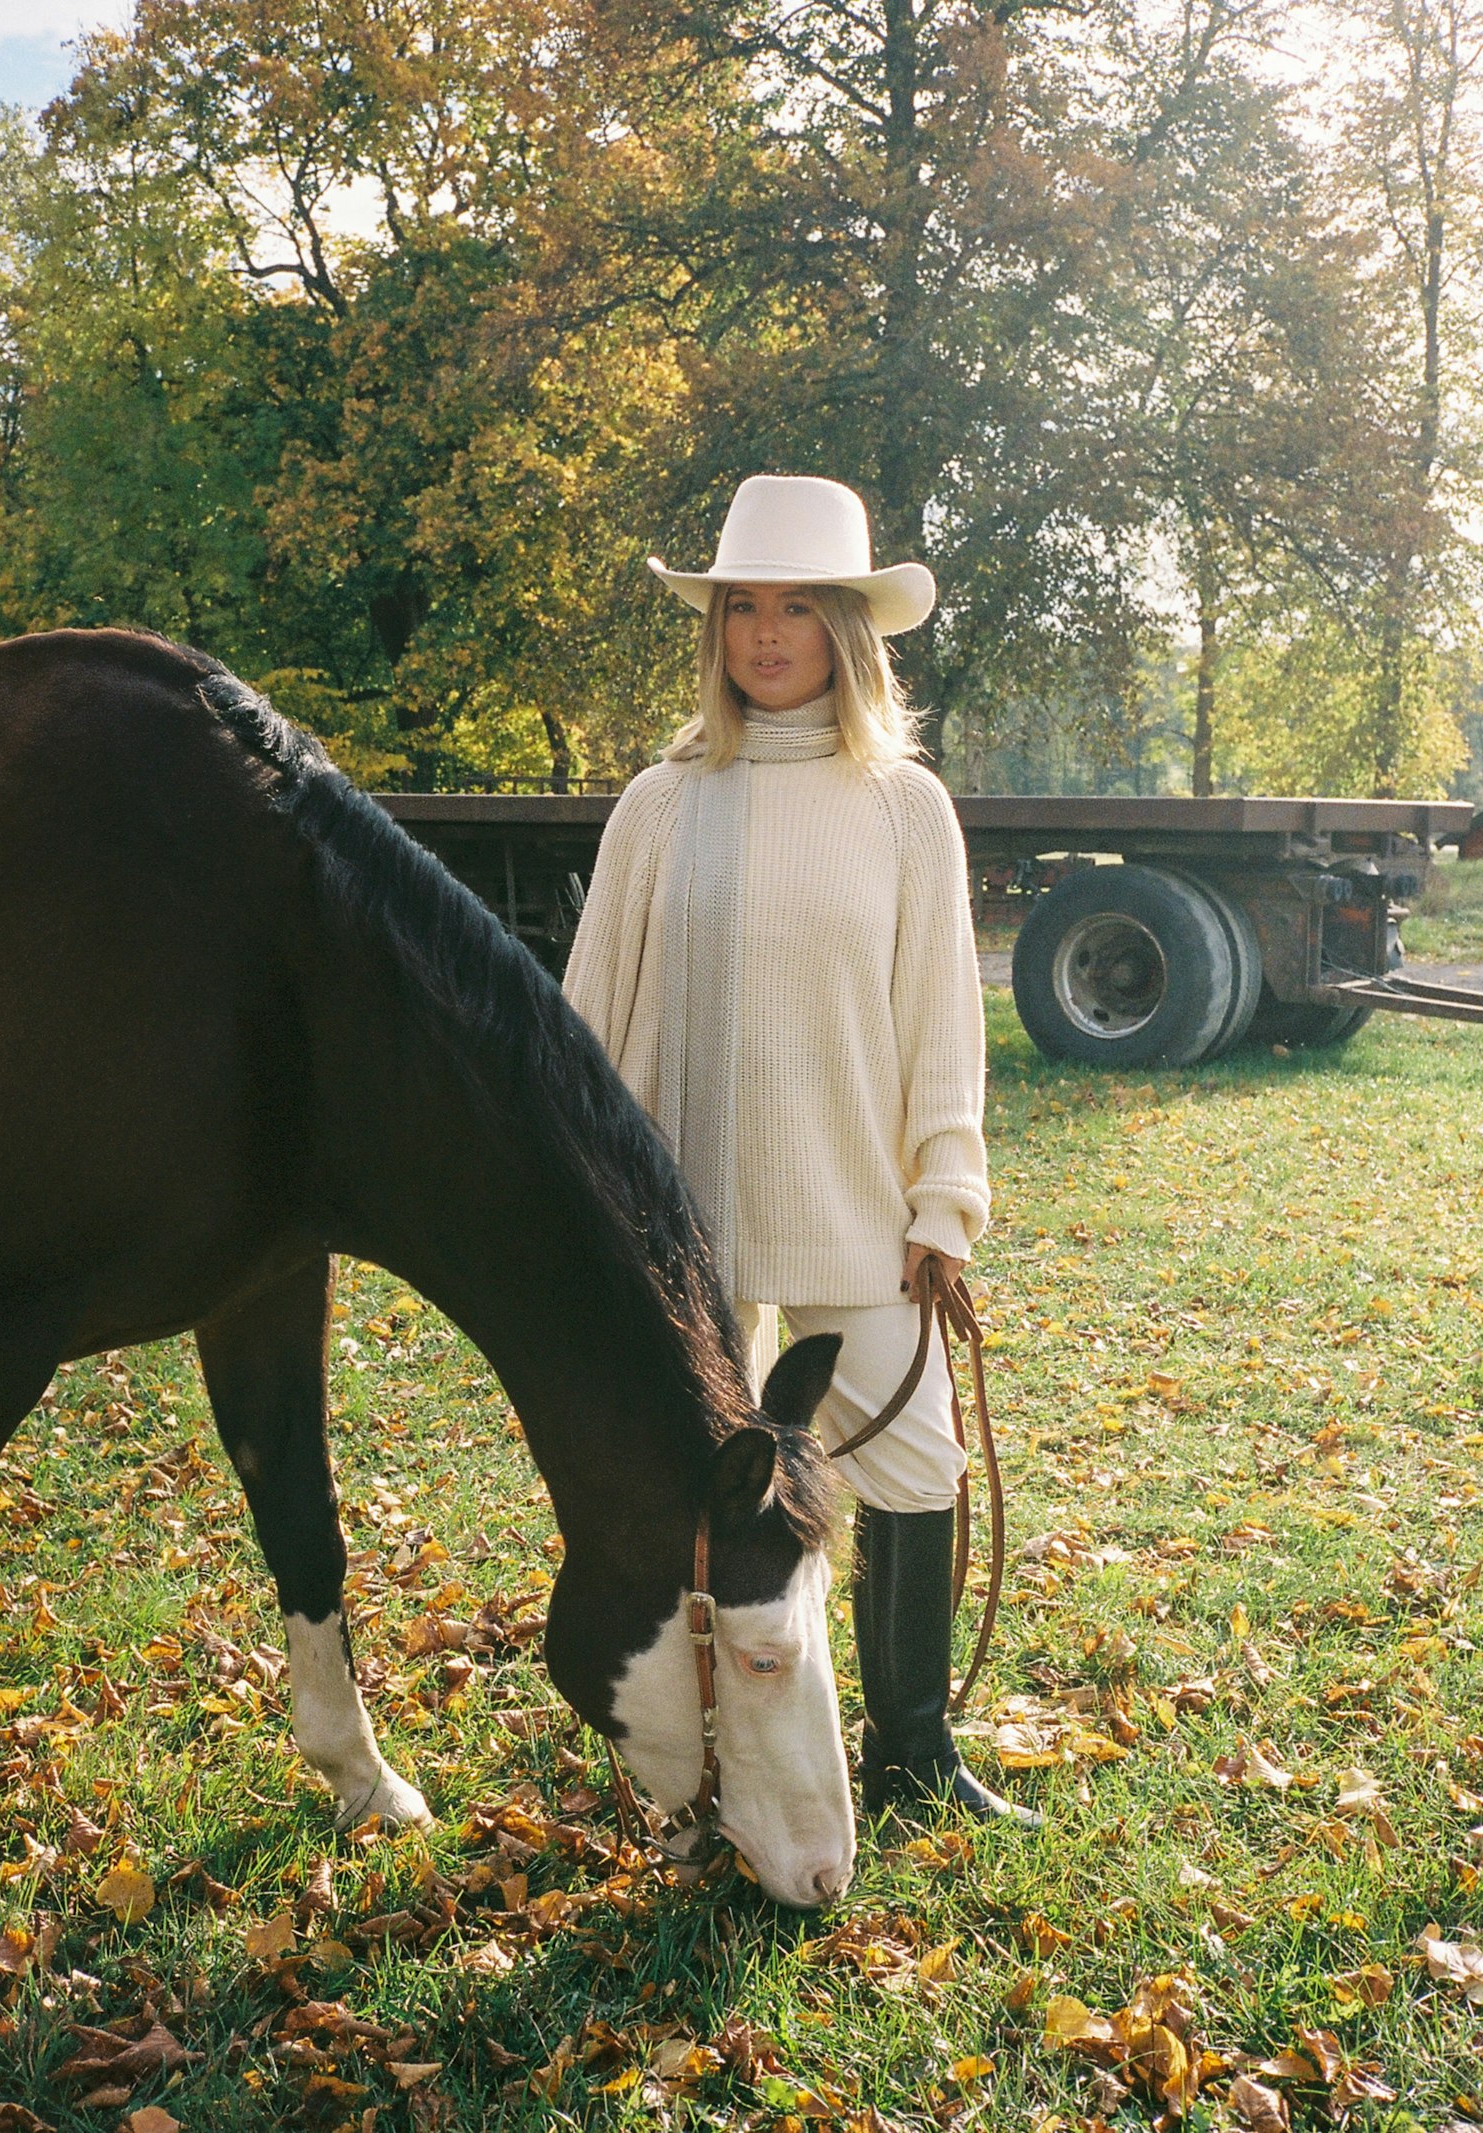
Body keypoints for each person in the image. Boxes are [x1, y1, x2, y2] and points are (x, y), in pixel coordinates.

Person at [564, 474, 1034, 1824]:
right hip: (683, 1227)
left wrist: (944, 1202)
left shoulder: (902, 805)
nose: (766, 635)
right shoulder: (660, 803)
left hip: (854, 1213)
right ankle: (700, 1755)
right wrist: (589, 1207)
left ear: (847, 628)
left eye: (797, 609)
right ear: (714, 631)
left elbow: (942, 1018)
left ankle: (910, 1751)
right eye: (741, 609)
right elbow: (587, 1020)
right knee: (702, 1497)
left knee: (915, 1462)